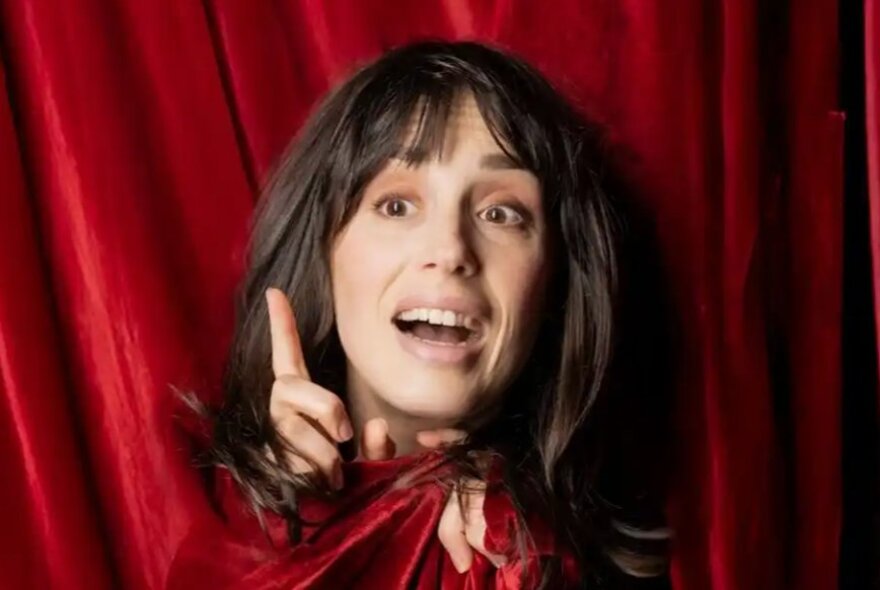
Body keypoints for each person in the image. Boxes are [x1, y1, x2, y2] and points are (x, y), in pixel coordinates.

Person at [168, 40, 669, 589]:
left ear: (554, 284)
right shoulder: (225, 538)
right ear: (322, 255)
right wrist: (297, 545)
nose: (450, 249)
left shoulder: (585, 562)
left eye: (500, 213)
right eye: (396, 205)